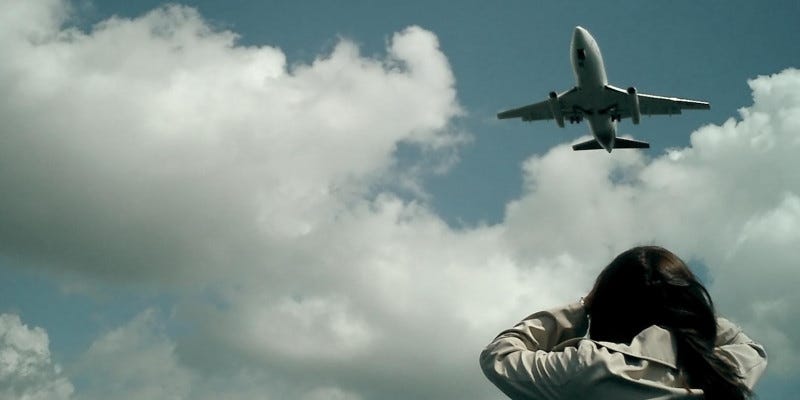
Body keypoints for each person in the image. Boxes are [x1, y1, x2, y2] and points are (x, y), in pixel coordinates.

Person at [479, 246, 767, 399]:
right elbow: (747, 345)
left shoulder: (587, 368)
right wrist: (683, 304)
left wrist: (581, 306)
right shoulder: (727, 371)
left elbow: (499, 355)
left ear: (604, 307)